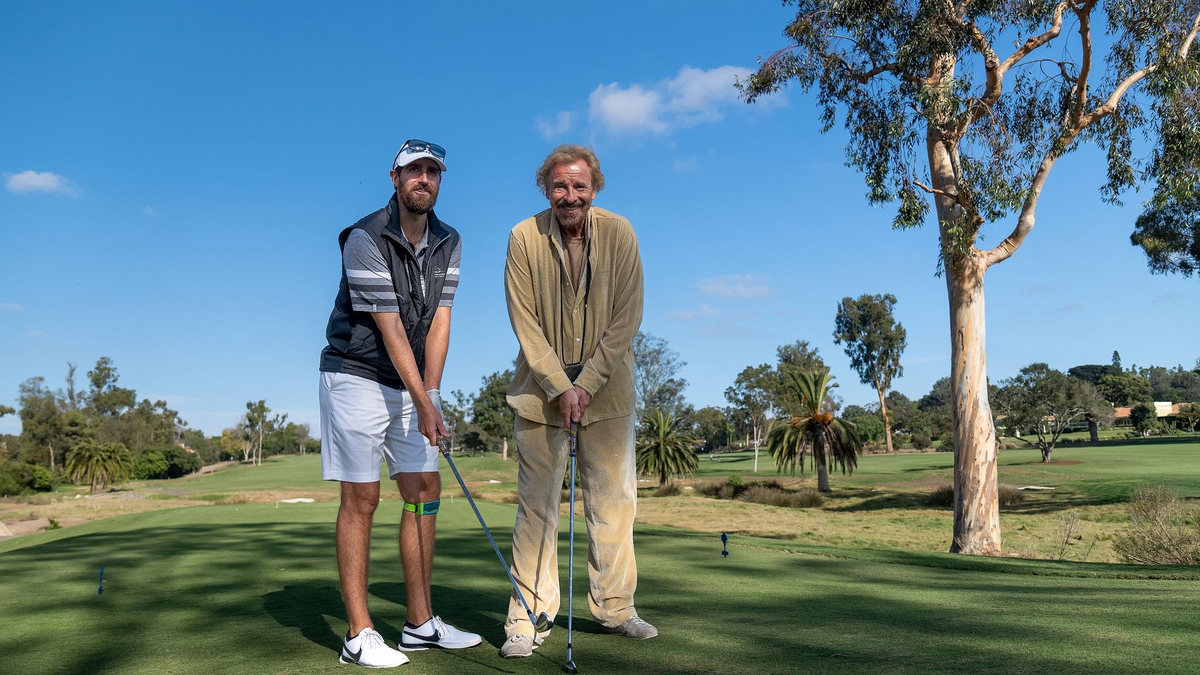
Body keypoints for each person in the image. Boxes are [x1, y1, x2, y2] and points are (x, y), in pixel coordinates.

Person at [318, 139, 480, 668]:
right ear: (395, 178)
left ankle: (419, 623)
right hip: (356, 374)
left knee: (423, 489)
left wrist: (432, 394)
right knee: (362, 497)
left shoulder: (450, 241)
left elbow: (439, 323)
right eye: (414, 170)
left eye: (433, 171)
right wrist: (424, 401)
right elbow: (389, 328)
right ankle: (358, 634)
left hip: (409, 383)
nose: (424, 179)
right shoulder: (364, 237)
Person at [499, 145, 654, 659]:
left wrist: (585, 384)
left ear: (594, 188)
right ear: (546, 189)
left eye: (579, 186)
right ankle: (527, 619)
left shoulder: (621, 233)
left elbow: (627, 317)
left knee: (613, 505)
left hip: (608, 394)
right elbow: (524, 321)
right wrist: (559, 386)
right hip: (538, 395)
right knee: (536, 511)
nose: (570, 196)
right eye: (560, 186)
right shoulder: (523, 237)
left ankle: (616, 608)